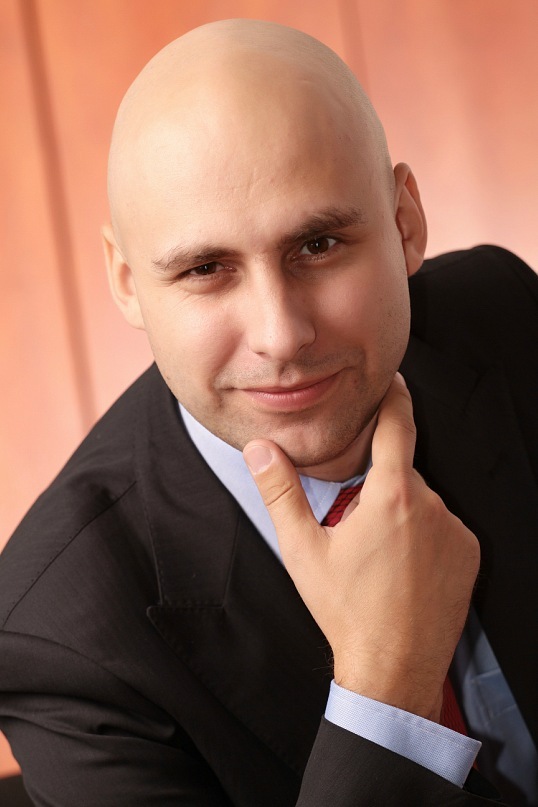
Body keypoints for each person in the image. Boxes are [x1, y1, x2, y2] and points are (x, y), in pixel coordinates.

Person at [0, 18, 537, 806]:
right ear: (126, 283)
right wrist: (386, 688)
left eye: (318, 245)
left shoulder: (504, 315)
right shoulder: (62, 638)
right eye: (205, 268)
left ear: (405, 222)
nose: (281, 335)